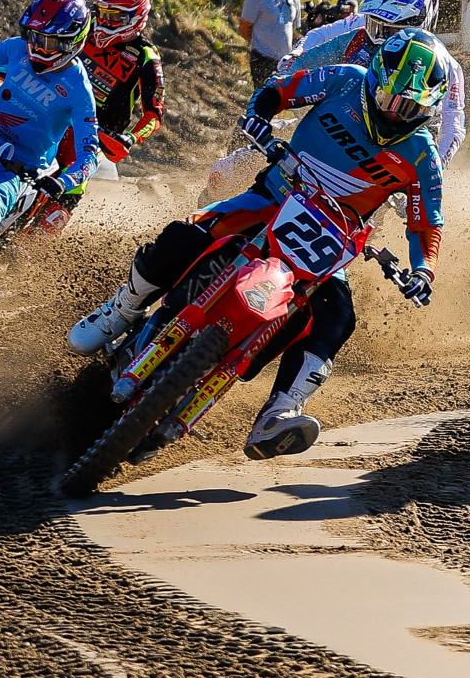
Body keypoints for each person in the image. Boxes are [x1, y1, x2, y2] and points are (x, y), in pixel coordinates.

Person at [68, 28, 446, 454]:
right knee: (187, 234)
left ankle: (281, 411)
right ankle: (120, 310)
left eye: (412, 106)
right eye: (390, 98)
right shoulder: (346, 79)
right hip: (271, 197)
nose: (396, 112)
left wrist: (423, 270)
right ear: (376, 78)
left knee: (338, 317)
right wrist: (258, 119)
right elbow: (278, 91)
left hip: (329, 241)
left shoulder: (423, 155)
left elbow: (426, 223)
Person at [0, 0, 97, 289]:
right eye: (35, 36)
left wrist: (64, 182)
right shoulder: (16, 48)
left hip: (21, 168)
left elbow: (89, 153)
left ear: (73, 41)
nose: (40, 47)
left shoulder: (79, 88)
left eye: (51, 42)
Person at [272, 0, 468, 162]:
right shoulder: (362, 25)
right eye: (376, 27)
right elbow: (321, 34)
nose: (381, 36)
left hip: (401, 145)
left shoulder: (446, 65)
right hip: (344, 122)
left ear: (421, 22)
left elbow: (454, 123)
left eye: (392, 30)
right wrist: (294, 58)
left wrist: (437, 165)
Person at [82, 0, 166, 166]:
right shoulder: (84, 27)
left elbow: (154, 115)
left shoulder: (145, 55)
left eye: (113, 16)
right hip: (54, 108)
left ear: (135, 18)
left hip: (97, 136)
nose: (103, 21)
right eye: (101, 13)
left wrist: (131, 137)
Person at [238, 0, 300, 86]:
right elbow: (244, 27)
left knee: (283, 96)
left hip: (284, 61)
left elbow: (293, 29)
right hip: (262, 57)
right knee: (264, 95)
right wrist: (258, 44)